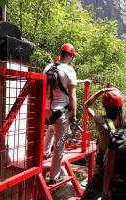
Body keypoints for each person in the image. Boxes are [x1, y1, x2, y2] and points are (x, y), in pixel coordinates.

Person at [81, 87, 126, 200]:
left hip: (103, 168)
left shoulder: (101, 122)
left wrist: (102, 91)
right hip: (120, 167)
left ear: (104, 106)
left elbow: (87, 105)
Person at [43, 43, 77, 184]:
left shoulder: (48, 68)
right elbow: (72, 95)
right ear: (71, 56)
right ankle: (54, 177)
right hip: (60, 111)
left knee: (51, 128)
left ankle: (45, 152)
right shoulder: (69, 70)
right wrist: (73, 115)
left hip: (46, 110)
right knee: (59, 144)